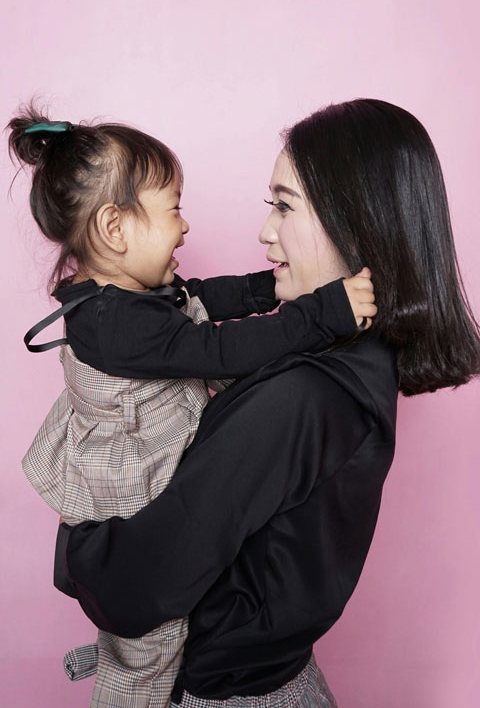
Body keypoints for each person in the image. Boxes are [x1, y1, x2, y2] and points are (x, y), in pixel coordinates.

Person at [54, 98, 480, 707]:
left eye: (285, 205)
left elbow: (133, 590)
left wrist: (76, 536)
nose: (264, 231)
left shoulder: (302, 396)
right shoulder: (352, 363)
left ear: (357, 221)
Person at [8, 106, 377, 708]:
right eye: (173, 209)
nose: (184, 228)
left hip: (153, 462)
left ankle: (116, 651)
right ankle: (125, 675)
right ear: (114, 229)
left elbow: (199, 298)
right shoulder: (109, 324)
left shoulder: (130, 298)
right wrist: (320, 312)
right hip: (127, 484)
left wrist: (266, 288)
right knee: (154, 638)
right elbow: (214, 348)